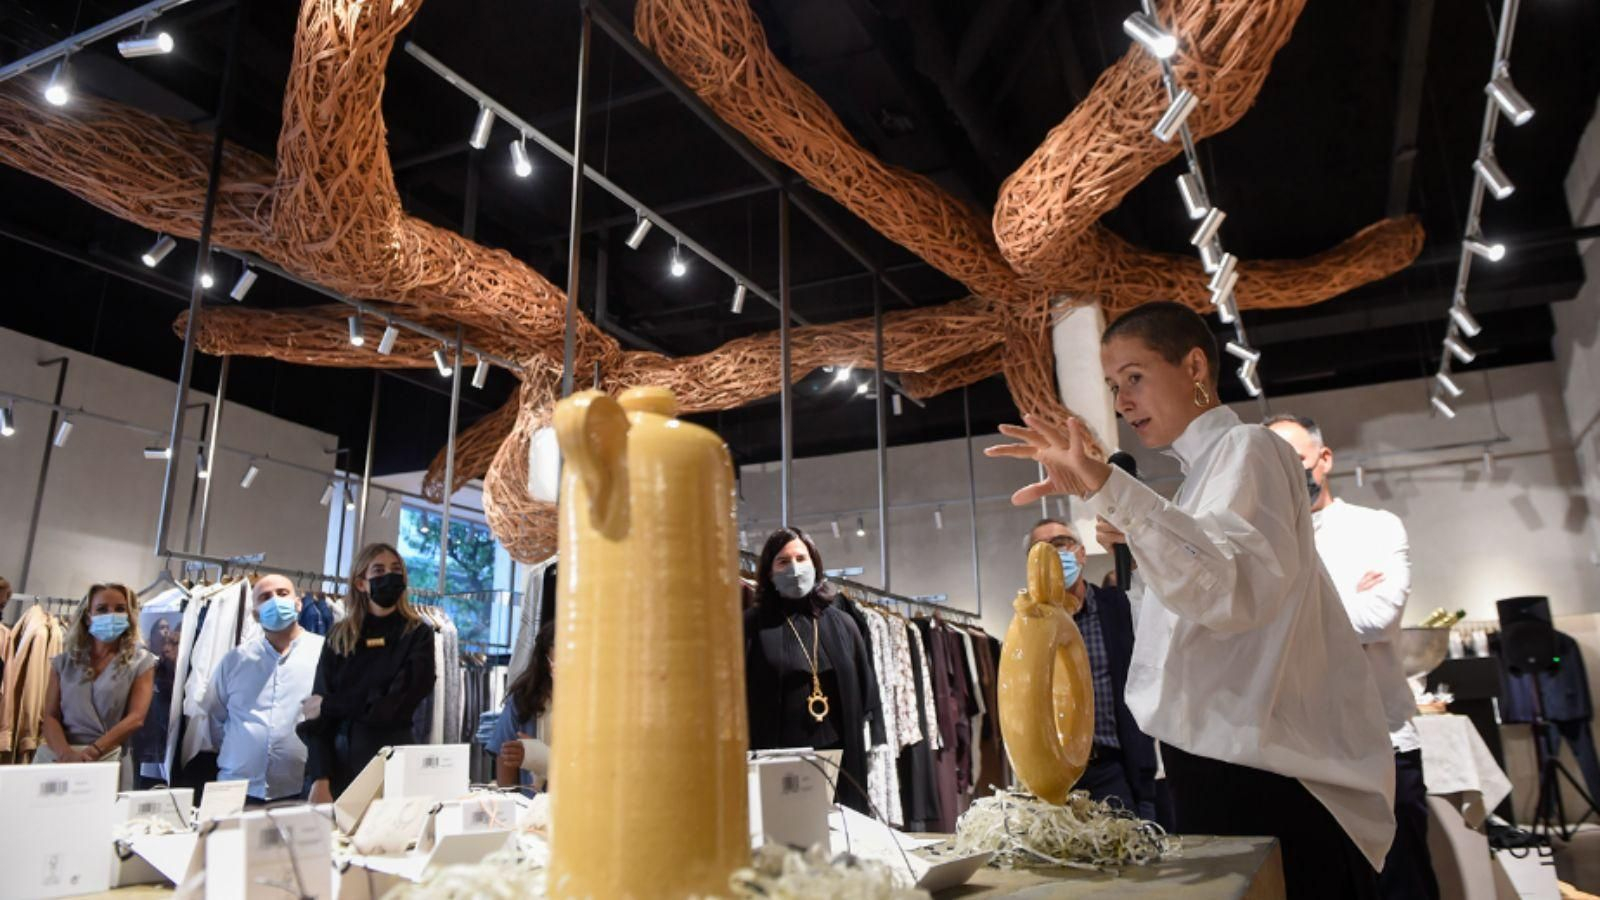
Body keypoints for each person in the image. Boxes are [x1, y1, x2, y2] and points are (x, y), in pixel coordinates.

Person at [986, 301, 1395, 899]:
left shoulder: (1248, 448)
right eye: (1112, 385)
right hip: (1224, 765)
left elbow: (1229, 591)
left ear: (1195, 366)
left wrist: (1112, 490)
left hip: (1268, 774)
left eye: (1134, 377)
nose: (1122, 401)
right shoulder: (1198, 484)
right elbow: (1192, 617)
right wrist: (1141, 533)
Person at [1268, 414, 1438, 900]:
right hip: (1303, 755)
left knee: (1402, 883)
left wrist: (1289, 616)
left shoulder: (1375, 528)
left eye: (1294, 459)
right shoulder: (1266, 544)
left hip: (1384, 744)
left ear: (1323, 459)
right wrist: (1345, 597)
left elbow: (1378, 618)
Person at [1024, 517, 1158, 821]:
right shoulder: (1030, 626)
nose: (1052, 555)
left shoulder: (1118, 609)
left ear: (1081, 553)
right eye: (1040, 549)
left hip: (1112, 768)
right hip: (1053, 776)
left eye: (1060, 544)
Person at [744, 526, 883, 814]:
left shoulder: (844, 624)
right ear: (769, 572)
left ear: (815, 564)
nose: (794, 568)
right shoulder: (751, 626)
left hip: (841, 757)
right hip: (778, 760)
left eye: (801, 558)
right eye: (783, 561)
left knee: (843, 836)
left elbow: (865, 692)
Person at [300, 544, 436, 802]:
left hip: (394, 763)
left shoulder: (418, 635)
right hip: (340, 767)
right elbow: (315, 718)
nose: (390, 576)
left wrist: (330, 705)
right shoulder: (339, 636)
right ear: (361, 583)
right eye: (379, 570)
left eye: (396, 570)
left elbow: (393, 705)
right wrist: (320, 777)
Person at [203, 575, 325, 806]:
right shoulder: (234, 660)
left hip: (299, 788)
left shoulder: (323, 653)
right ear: (256, 614)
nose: (275, 601)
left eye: (282, 593)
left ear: (298, 603)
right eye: (265, 597)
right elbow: (215, 718)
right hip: (236, 787)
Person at [37, 583, 156, 767]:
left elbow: (136, 718)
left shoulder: (140, 662)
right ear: (87, 617)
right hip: (60, 756)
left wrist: (94, 750)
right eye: (102, 609)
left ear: (129, 616)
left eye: (119, 609)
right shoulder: (64, 662)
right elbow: (50, 717)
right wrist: (66, 754)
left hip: (107, 755)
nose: (111, 615)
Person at [493, 621, 555, 789]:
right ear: (545, 659)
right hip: (532, 806)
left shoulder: (599, 706)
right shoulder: (523, 700)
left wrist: (543, 758)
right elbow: (506, 756)